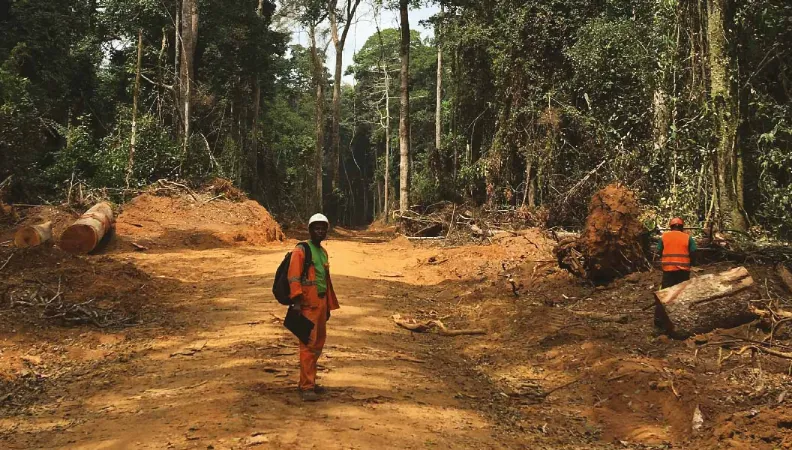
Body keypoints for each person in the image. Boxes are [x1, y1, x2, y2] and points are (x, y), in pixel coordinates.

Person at [287, 213, 340, 402]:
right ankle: (306, 386)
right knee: (308, 345)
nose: (320, 231)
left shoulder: (323, 252)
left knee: (318, 344)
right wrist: (297, 303)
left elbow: (325, 280)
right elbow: (293, 277)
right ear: (310, 230)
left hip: (320, 304)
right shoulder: (301, 250)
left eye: (323, 228)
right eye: (316, 228)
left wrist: (328, 307)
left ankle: (309, 380)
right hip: (307, 306)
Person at [655, 217, 696, 327]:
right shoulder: (688, 238)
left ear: (671, 226)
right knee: (682, 295)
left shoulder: (664, 237)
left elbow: (659, 251)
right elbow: (693, 253)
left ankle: (659, 320)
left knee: (665, 295)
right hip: (683, 271)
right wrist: (691, 263)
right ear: (682, 227)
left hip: (668, 270)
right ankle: (683, 320)